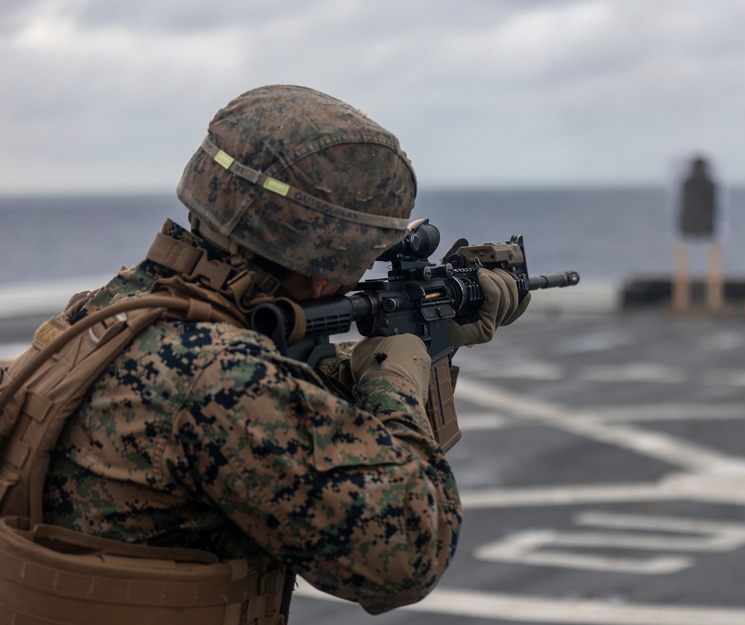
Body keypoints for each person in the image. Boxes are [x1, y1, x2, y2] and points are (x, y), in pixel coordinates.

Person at [0, 85, 527, 622]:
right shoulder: (220, 380)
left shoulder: (106, 311)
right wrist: (399, 380)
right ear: (324, 261)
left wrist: (400, 348)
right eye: (358, 259)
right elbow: (411, 553)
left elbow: (270, 401)